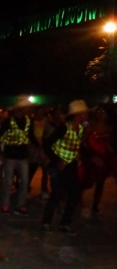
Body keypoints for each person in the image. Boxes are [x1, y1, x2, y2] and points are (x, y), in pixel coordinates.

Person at [42, 100, 88, 234]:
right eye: (84, 112)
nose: (86, 114)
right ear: (78, 114)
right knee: (56, 194)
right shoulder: (63, 128)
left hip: (71, 165)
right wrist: (57, 160)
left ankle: (65, 223)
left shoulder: (81, 129)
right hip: (58, 166)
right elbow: (47, 144)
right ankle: (46, 222)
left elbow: (77, 146)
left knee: (73, 194)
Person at [0, 94, 36, 215]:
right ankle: (5, 204)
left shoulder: (29, 121)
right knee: (8, 182)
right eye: (27, 107)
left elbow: (31, 136)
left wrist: (39, 148)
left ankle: (20, 205)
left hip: (23, 156)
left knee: (25, 181)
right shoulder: (8, 121)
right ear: (21, 108)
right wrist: (0, 152)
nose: (29, 109)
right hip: (10, 156)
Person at [81, 106, 114, 215]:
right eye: (99, 112)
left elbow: (108, 143)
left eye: (103, 112)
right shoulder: (90, 127)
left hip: (103, 156)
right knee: (87, 180)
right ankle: (78, 198)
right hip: (92, 156)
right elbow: (83, 142)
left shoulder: (109, 127)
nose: (101, 114)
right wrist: (90, 155)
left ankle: (95, 205)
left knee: (100, 182)